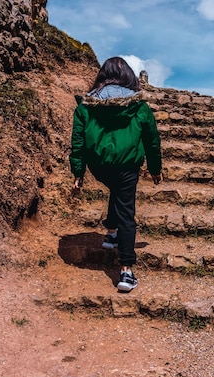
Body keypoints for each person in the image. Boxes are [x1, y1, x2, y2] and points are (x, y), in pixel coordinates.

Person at [70, 57, 162, 292]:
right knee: (127, 213)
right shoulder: (139, 107)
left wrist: (78, 173)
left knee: (116, 190)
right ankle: (126, 271)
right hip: (128, 166)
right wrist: (155, 169)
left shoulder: (85, 106)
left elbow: (78, 143)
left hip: (99, 166)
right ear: (129, 77)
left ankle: (111, 233)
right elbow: (152, 141)